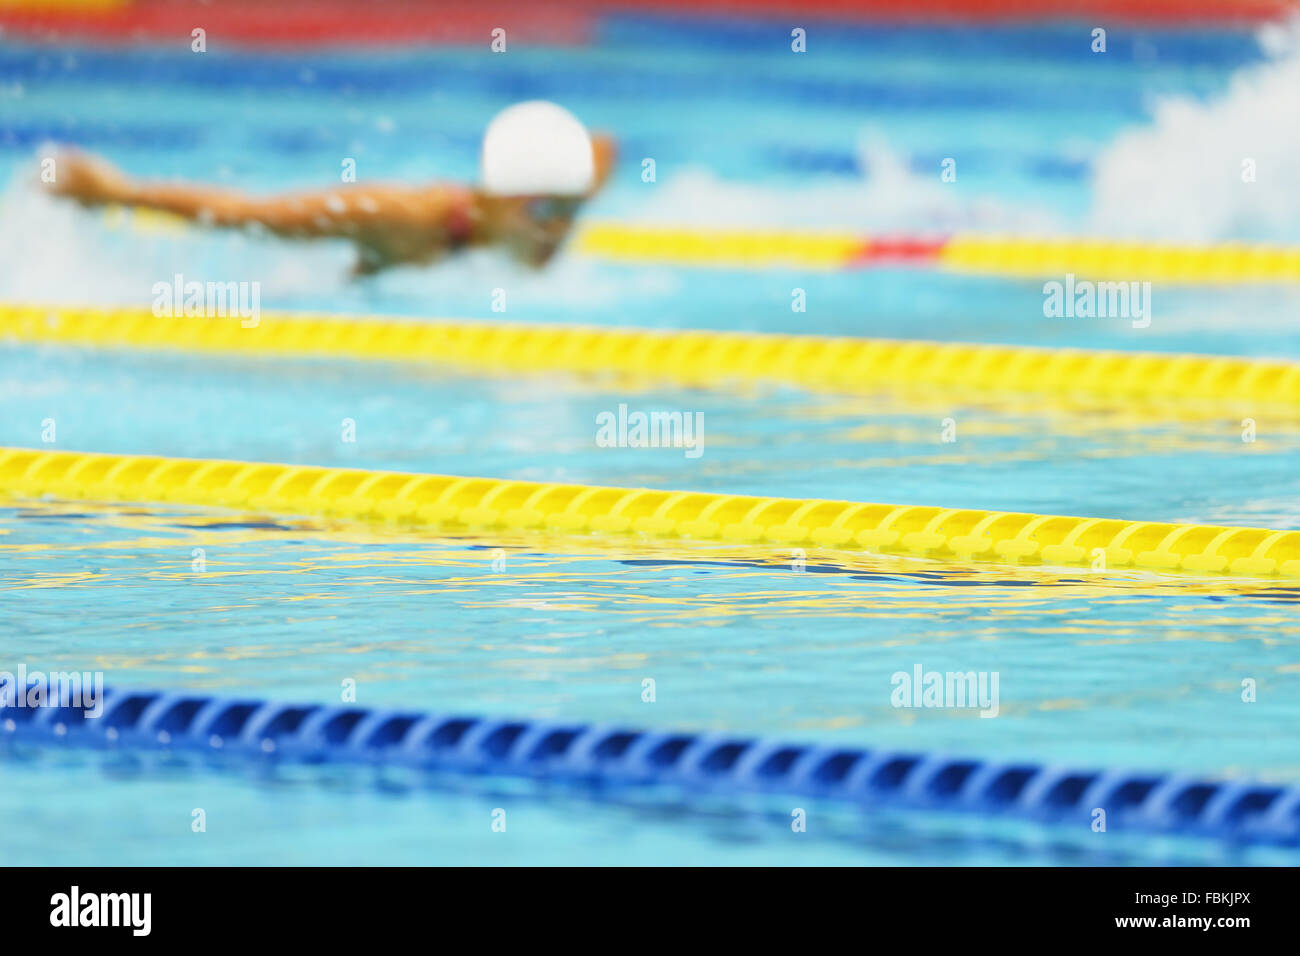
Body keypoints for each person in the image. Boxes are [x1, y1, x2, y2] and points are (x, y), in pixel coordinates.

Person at [44, 101, 615, 275]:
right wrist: (119, 194)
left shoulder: (555, 194)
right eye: (545, 210)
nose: (559, 228)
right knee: (256, 223)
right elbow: (243, 212)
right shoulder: (397, 214)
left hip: (402, 260)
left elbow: (605, 145)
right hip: (383, 248)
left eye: (571, 208)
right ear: (490, 196)